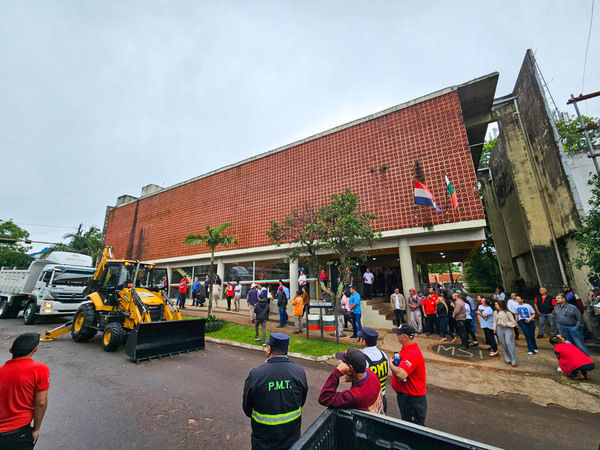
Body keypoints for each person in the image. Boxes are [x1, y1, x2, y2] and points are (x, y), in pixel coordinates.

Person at [242, 333, 308, 450]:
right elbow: (301, 401)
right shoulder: (298, 371)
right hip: (292, 440)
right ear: (287, 349)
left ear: (269, 349)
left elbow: (247, 409)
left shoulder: (256, 374)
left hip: (264, 442)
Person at [0, 333, 50, 450]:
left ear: (12, 350)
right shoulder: (40, 369)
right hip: (18, 433)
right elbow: (41, 403)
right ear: (35, 349)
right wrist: (36, 429)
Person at [318, 348, 383, 414]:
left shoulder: (356, 396)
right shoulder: (371, 374)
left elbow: (325, 399)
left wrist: (337, 372)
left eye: (343, 362)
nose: (341, 365)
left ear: (350, 368)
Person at [389, 324, 427, 426]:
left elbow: (401, 375)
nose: (396, 335)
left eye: (398, 334)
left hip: (412, 399)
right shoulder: (406, 349)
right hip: (406, 398)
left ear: (405, 337)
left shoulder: (412, 353)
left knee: (414, 429)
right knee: (407, 425)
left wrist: (390, 364)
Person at [360, 328, 390, 413]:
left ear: (364, 342)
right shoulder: (383, 354)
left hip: (369, 402)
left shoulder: (363, 358)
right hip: (382, 398)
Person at [494, 301, 517, 367]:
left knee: (509, 343)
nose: (496, 306)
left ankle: (513, 360)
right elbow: (495, 321)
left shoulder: (508, 313)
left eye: (497, 304)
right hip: (499, 328)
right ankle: (508, 358)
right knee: (503, 343)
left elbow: (513, 322)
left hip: (507, 329)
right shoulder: (495, 312)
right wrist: (494, 329)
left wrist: (506, 324)